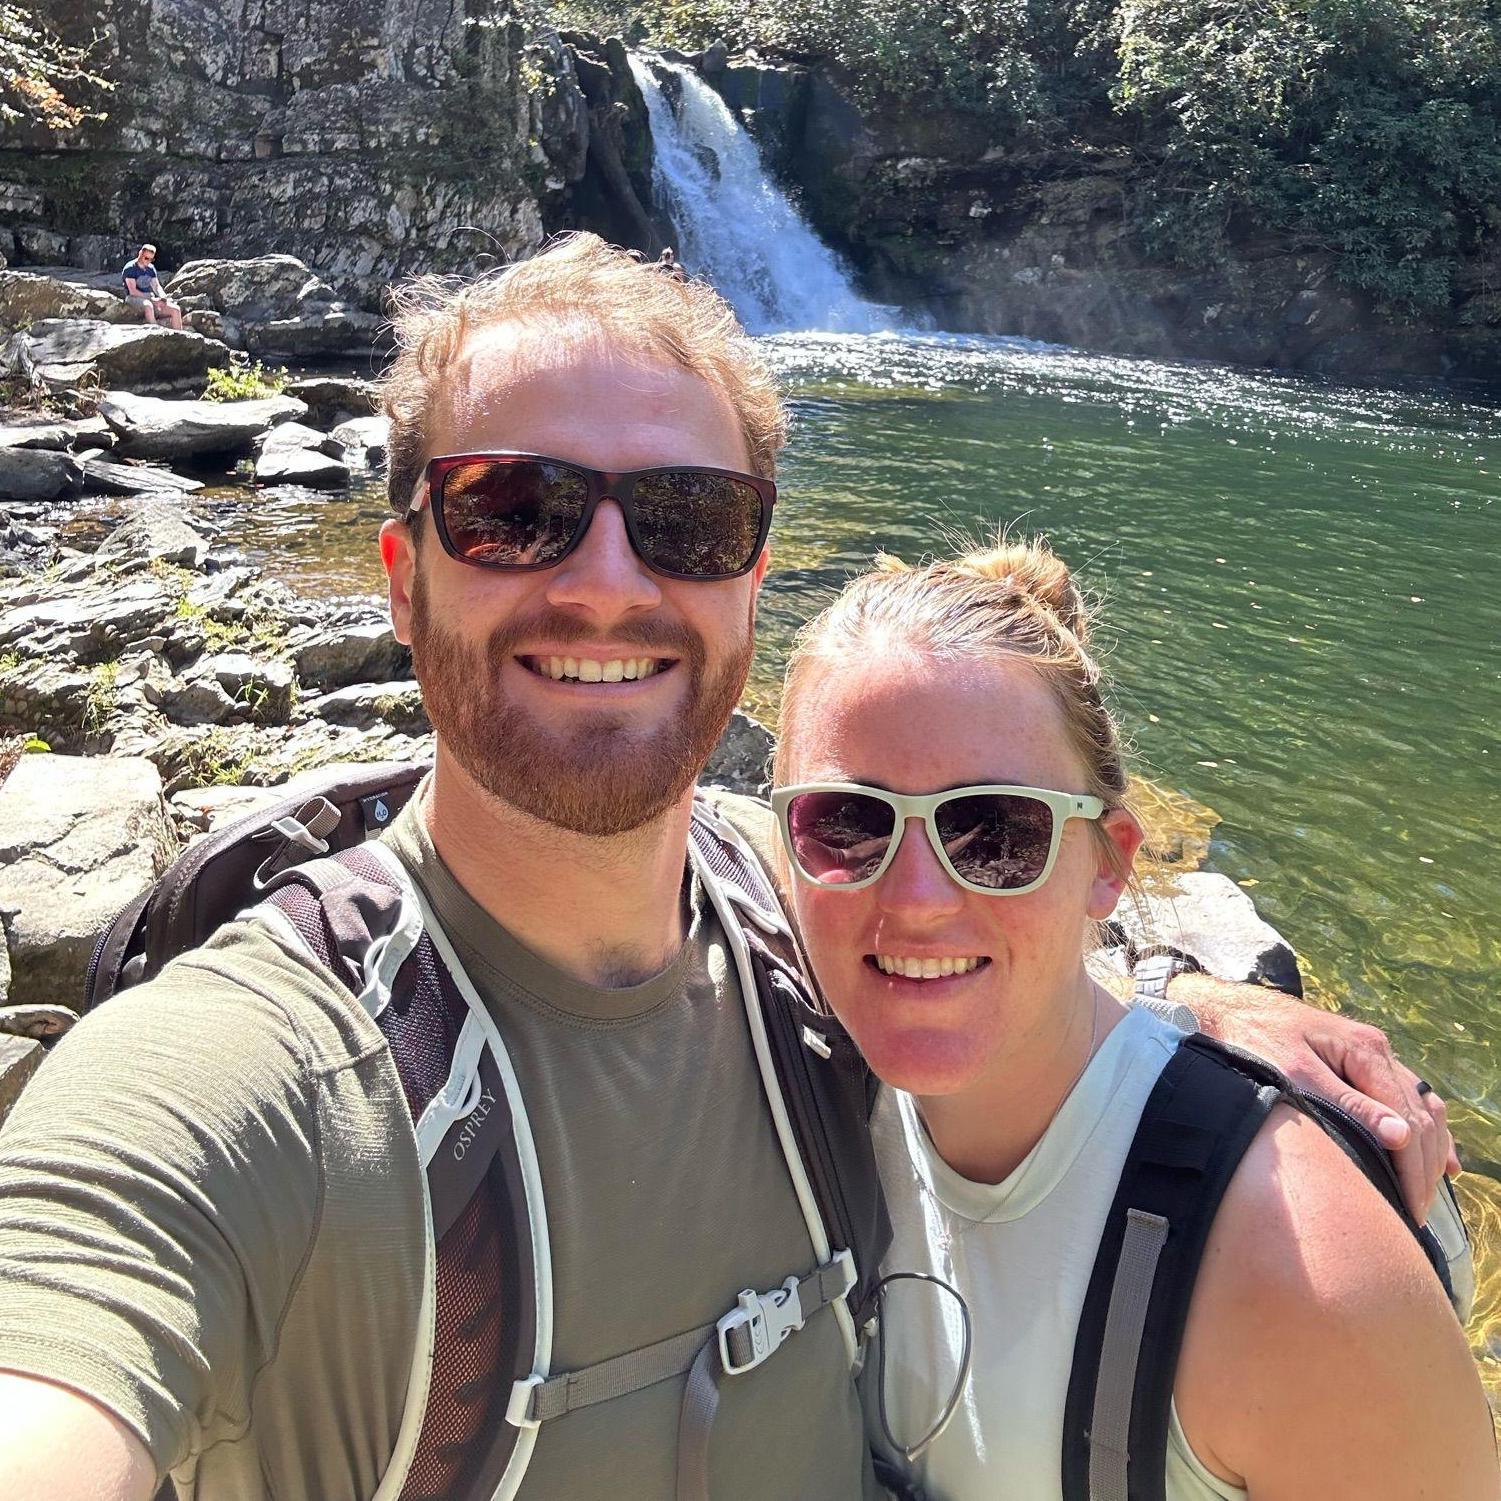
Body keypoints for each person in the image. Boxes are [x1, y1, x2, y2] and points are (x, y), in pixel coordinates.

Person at [0, 235, 1455, 1501]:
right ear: (402, 573)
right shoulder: (247, 1081)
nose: (606, 581)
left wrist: (1205, 1026)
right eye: (513, 507)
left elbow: (989, 926)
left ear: (750, 580)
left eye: (687, 520)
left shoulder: (793, 894)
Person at [767, 536, 1496, 1499]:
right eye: (846, 823)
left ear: (1108, 863)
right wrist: (1195, 993)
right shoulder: (793, 1069)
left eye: (994, 832)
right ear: (781, 846)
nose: (914, 899)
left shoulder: (1302, 1279)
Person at [121, 243, 184, 329]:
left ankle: (179, 335)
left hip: (149, 297)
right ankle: (155, 332)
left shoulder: (151, 268)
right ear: (140, 254)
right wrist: (152, 300)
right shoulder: (130, 268)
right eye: (146, 258)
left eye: (151, 259)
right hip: (133, 298)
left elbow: (156, 286)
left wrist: (163, 297)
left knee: (176, 309)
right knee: (148, 305)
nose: (148, 261)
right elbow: (133, 291)